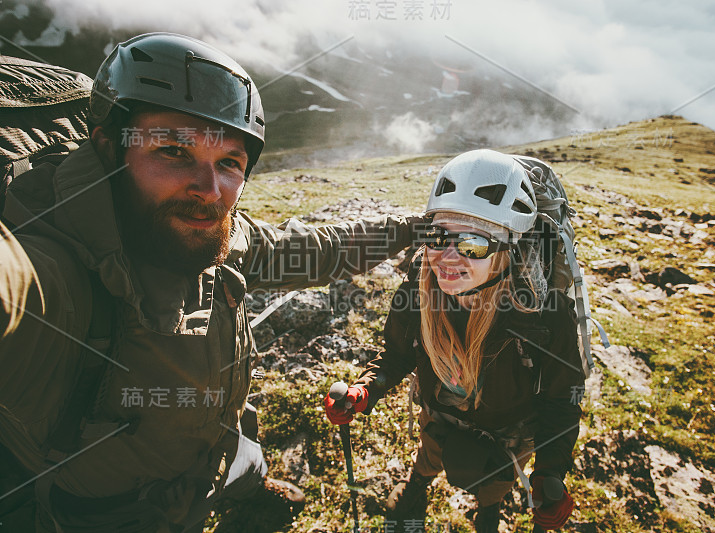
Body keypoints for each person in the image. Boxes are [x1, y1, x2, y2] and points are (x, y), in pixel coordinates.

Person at [0, 32, 423, 532]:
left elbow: (313, 250)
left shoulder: (205, 231)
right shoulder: (58, 275)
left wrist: (410, 229)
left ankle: (252, 487)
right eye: (175, 152)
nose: (209, 190)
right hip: (119, 515)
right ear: (109, 147)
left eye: (229, 163)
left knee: (251, 460)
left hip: (220, 447)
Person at [324, 149, 583, 532]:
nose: (446, 257)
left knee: (495, 481)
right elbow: (397, 354)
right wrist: (367, 389)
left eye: (473, 244)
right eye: (435, 235)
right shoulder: (418, 290)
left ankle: (488, 512)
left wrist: (550, 470)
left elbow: (560, 400)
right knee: (429, 456)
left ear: (509, 252)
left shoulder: (544, 315)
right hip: (439, 414)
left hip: (506, 434)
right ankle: (418, 487)